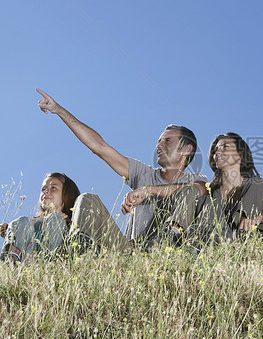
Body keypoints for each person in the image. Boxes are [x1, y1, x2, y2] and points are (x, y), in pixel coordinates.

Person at [36, 88, 207, 251]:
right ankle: (76, 251)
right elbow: (99, 146)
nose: (159, 145)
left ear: (187, 150)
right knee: (87, 199)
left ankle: (169, 241)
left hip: (161, 252)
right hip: (128, 251)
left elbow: (199, 190)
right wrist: (58, 110)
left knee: (190, 191)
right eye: (158, 141)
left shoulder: (197, 180)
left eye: (167, 141)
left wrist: (148, 191)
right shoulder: (143, 173)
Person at [180, 133, 263, 244]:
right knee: (205, 200)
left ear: (240, 154)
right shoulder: (210, 191)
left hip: (248, 239)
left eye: (225, 147)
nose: (217, 152)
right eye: (216, 150)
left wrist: (256, 219)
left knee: (257, 184)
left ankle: (241, 240)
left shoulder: (257, 184)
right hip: (215, 237)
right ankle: (193, 238)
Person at [0, 172, 81, 262]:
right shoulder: (28, 222)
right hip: (27, 260)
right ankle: (10, 260)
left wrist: (68, 223)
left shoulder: (70, 222)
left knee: (56, 219)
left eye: (53, 188)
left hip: (51, 260)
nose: (46, 191)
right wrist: (9, 230)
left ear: (67, 194)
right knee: (22, 221)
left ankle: (53, 259)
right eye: (43, 189)